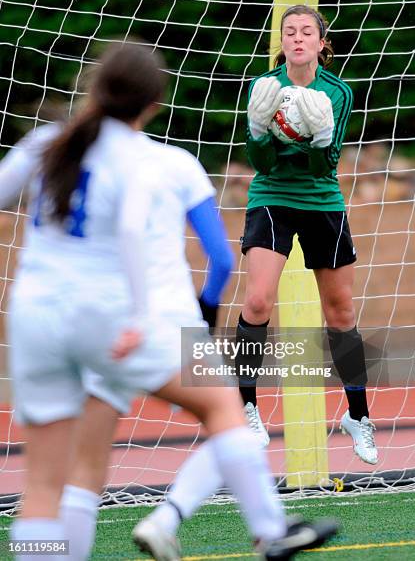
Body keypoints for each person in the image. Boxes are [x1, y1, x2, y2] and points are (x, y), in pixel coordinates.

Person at [0, 41, 338, 561]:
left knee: (47, 482)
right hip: (118, 321)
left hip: (35, 318)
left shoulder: (48, 142)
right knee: (223, 405)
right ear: (154, 104)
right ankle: (269, 531)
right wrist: (152, 315)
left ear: (94, 88)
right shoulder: (151, 159)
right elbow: (159, 240)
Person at [235, 4, 378, 465]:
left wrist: (317, 139)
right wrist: (260, 131)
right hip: (271, 196)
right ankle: (247, 407)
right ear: (282, 41)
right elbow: (263, 164)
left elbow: (324, 166)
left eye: (306, 32)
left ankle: (359, 416)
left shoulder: (337, 93)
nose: (297, 38)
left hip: (321, 202)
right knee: (258, 301)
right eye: (289, 31)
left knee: (340, 312)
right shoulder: (263, 87)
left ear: (321, 43)